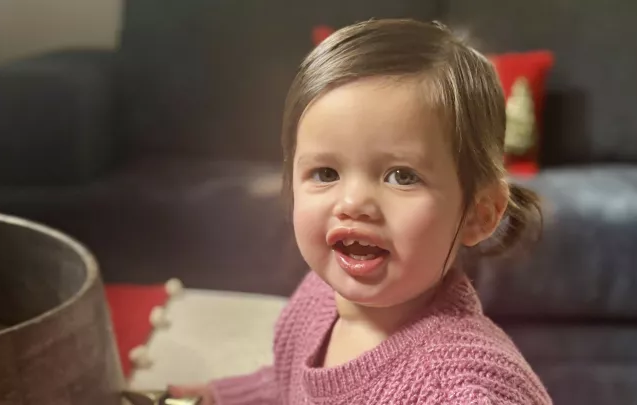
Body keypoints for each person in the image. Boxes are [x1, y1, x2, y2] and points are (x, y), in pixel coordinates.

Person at [170, 18, 552, 405]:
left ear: (479, 213)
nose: (352, 203)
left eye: (402, 176)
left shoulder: (461, 392)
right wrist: (217, 397)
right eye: (325, 172)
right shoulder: (317, 298)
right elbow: (288, 384)